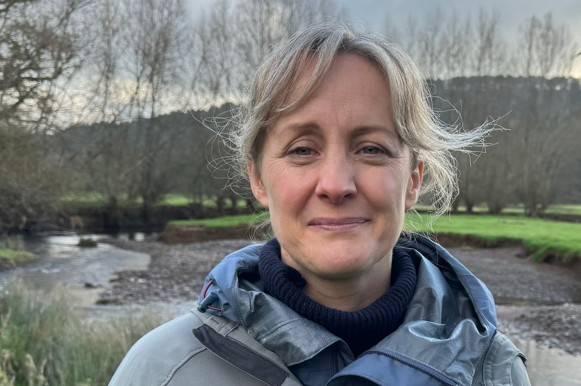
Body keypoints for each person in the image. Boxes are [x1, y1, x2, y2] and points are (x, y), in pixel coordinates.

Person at [110, 22, 530, 386]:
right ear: (258, 178)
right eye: (302, 150)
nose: (335, 185)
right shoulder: (161, 370)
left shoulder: (495, 372)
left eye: (371, 149)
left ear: (413, 180)